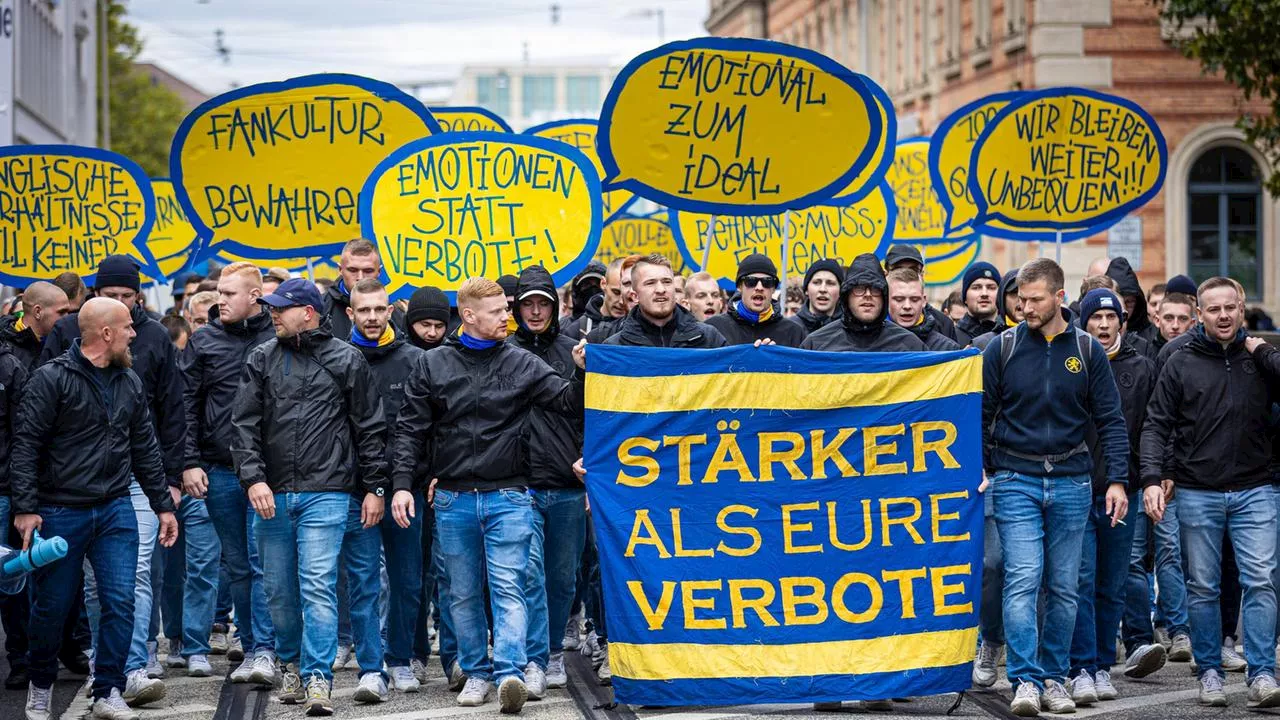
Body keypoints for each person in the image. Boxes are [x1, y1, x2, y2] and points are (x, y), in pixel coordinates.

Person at [390, 276, 586, 714]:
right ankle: (476, 673)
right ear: (470, 316)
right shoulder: (433, 364)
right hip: (454, 497)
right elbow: (410, 430)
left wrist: (581, 370)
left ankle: (511, 672)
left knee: (509, 586)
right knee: (460, 593)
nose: (508, 316)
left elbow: (568, 402)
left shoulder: (522, 362)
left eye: (506, 308)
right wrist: (402, 484)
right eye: (498, 311)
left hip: (511, 494)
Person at [12, 297, 179, 720]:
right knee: (52, 607)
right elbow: (26, 444)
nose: (134, 333)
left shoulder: (130, 381)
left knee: (121, 601)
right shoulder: (50, 379)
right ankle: (41, 687)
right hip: (60, 511)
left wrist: (163, 506)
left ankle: (108, 691)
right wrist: (26, 507)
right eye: (127, 327)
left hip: (115, 509)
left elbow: (146, 448)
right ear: (106, 333)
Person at [232, 277, 388, 716]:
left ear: (308, 312)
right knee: (279, 591)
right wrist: (253, 479)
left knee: (317, 585)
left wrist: (376, 488)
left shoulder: (347, 358)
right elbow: (243, 425)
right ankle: (290, 663)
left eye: (280, 308)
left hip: (328, 492)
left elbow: (370, 430)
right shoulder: (262, 357)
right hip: (272, 493)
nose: (272, 314)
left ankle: (318, 675)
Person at [981, 258, 1129, 716]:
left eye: (1035, 299)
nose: (1025, 307)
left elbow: (1111, 421)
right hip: (1014, 480)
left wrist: (1119, 480)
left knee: (1066, 588)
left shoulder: (1087, 351)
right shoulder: (1001, 349)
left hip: (1072, 481)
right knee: (1023, 580)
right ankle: (1025, 679)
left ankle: (1054, 676)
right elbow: (982, 415)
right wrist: (984, 467)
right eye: (1021, 300)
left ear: (1060, 298)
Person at [1140, 276, 1280, 708]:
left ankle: (1262, 674)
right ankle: (1211, 672)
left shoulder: (1258, 359)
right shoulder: (1179, 360)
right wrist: (1150, 478)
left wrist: (1265, 352)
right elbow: (1156, 423)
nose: (1223, 316)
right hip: (1197, 491)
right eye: (1214, 309)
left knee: (1261, 580)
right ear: (1200, 315)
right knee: (1202, 587)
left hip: (1257, 487)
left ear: (1242, 310)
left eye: (1230, 308)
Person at [180, 262, 279, 689]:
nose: (220, 300)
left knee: (264, 564)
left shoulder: (279, 337)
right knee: (238, 565)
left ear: (255, 296)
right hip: (218, 470)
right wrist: (188, 461)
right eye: (219, 292)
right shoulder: (203, 340)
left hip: (269, 473)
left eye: (229, 293)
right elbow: (183, 405)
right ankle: (254, 644)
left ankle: (267, 651)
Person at [1066, 290, 1163, 705]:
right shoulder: (1074, 363)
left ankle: (1103, 665)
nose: (1104, 324)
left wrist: (1153, 476)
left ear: (1122, 322)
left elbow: (1154, 425)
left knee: (1113, 583)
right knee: (1081, 581)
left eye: (1111, 316)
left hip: (1124, 491)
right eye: (1096, 317)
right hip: (1077, 490)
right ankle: (1081, 667)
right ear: (1084, 322)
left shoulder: (1142, 367)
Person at [343, 279, 427, 702]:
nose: (373, 317)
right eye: (364, 311)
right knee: (362, 582)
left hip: (403, 490)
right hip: (352, 490)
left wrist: (407, 482)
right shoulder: (337, 358)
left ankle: (399, 658)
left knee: (407, 579)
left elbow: (421, 428)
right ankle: (371, 665)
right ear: (350, 314)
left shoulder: (414, 360)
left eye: (379, 309)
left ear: (391, 310)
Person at [509, 265, 588, 696]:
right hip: (518, 482)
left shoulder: (575, 350)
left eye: (544, 303)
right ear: (516, 308)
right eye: (528, 304)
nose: (536, 312)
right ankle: (534, 657)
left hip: (567, 483)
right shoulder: (499, 349)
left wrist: (590, 459)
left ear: (556, 307)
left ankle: (555, 648)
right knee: (528, 576)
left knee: (562, 578)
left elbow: (594, 412)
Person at [799, 254, 925, 352]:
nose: (868, 295)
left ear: (884, 296)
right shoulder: (816, 344)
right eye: (859, 288)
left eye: (875, 288)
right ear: (847, 295)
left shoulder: (910, 345)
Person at [604, 255, 727, 349]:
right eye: (650, 283)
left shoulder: (709, 338)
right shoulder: (615, 347)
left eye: (667, 282)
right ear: (635, 296)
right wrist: (583, 370)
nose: (661, 290)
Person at [706, 254, 806, 347]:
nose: (759, 287)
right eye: (751, 281)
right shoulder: (714, 328)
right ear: (739, 286)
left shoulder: (794, 332)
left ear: (774, 289)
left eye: (767, 282)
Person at [322, 239, 405, 340]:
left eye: (368, 271)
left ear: (379, 271)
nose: (360, 277)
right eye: (353, 270)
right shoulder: (321, 308)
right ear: (340, 270)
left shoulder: (395, 312)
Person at [884, 244, 959, 340]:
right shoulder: (871, 323)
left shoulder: (943, 324)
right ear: (886, 274)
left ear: (922, 275)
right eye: (898, 269)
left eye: (913, 269)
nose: (906, 274)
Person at [886, 268, 960, 351]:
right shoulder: (871, 344)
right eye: (899, 299)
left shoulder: (946, 348)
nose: (907, 306)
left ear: (924, 301)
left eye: (914, 299)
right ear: (885, 300)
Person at [0, 282, 69, 369]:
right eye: (61, 312)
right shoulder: (5, 348)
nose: (67, 317)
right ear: (38, 312)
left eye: (68, 312)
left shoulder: (63, 342)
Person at [564, 258, 628, 341]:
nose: (621, 301)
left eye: (627, 295)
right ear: (604, 284)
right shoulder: (575, 331)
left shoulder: (638, 327)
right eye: (616, 292)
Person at [1105, 258, 1158, 344]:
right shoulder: (1091, 331)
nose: (1124, 308)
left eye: (1129, 302)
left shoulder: (1152, 337)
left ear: (1137, 303)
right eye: (1117, 302)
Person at [787, 258, 843, 336]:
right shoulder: (789, 328)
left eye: (830, 283)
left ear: (840, 291)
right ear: (806, 290)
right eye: (816, 282)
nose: (823, 289)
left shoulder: (850, 330)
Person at [955, 262, 1001, 345]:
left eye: (991, 288)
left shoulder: (1009, 337)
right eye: (976, 288)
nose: (984, 293)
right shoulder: (951, 338)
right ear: (965, 297)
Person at [405, 286, 452, 352]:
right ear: (410, 322)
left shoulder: (455, 356)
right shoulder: (393, 355)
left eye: (439, 326)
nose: (432, 333)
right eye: (425, 325)